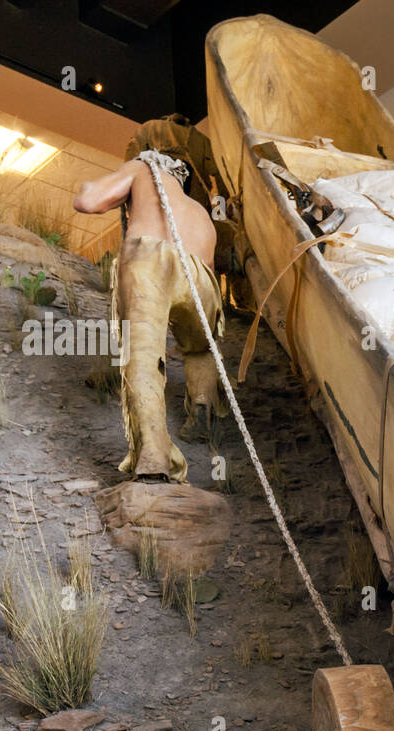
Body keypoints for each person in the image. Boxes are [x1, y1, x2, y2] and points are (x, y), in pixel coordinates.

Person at [73, 150, 228, 482]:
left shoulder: (143, 169)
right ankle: (204, 407)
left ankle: (153, 458)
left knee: (142, 358)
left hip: (148, 257)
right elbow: (212, 281)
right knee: (201, 346)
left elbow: (89, 201)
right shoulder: (200, 213)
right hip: (199, 273)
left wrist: (90, 181)